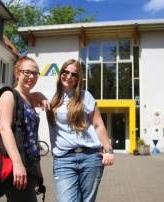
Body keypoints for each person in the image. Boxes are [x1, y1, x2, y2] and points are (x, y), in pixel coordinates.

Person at [46, 59, 114, 202]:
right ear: (60, 74)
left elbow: (98, 125)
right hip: (63, 159)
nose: (69, 77)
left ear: (78, 79)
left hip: (90, 157)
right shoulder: (49, 96)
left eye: (74, 74)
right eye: (65, 72)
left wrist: (108, 150)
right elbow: (24, 96)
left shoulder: (85, 96)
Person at [0, 56, 47, 202]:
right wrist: (17, 164)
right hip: (16, 166)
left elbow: (32, 137)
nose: (31, 76)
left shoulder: (28, 99)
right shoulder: (8, 95)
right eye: (27, 72)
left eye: (35, 73)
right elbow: (4, 129)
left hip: (29, 165)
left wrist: (38, 169)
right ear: (17, 73)